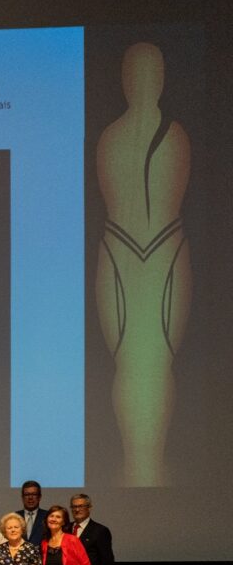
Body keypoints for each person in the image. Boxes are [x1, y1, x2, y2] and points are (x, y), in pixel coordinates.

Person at [95, 42, 191, 487]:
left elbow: (168, 197)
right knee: (130, 360)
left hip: (162, 249)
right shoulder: (111, 137)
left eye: (153, 72)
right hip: (123, 249)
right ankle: (137, 462)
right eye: (137, 73)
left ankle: (149, 463)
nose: (144, 81)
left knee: (155, 360)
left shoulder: (175, 135)